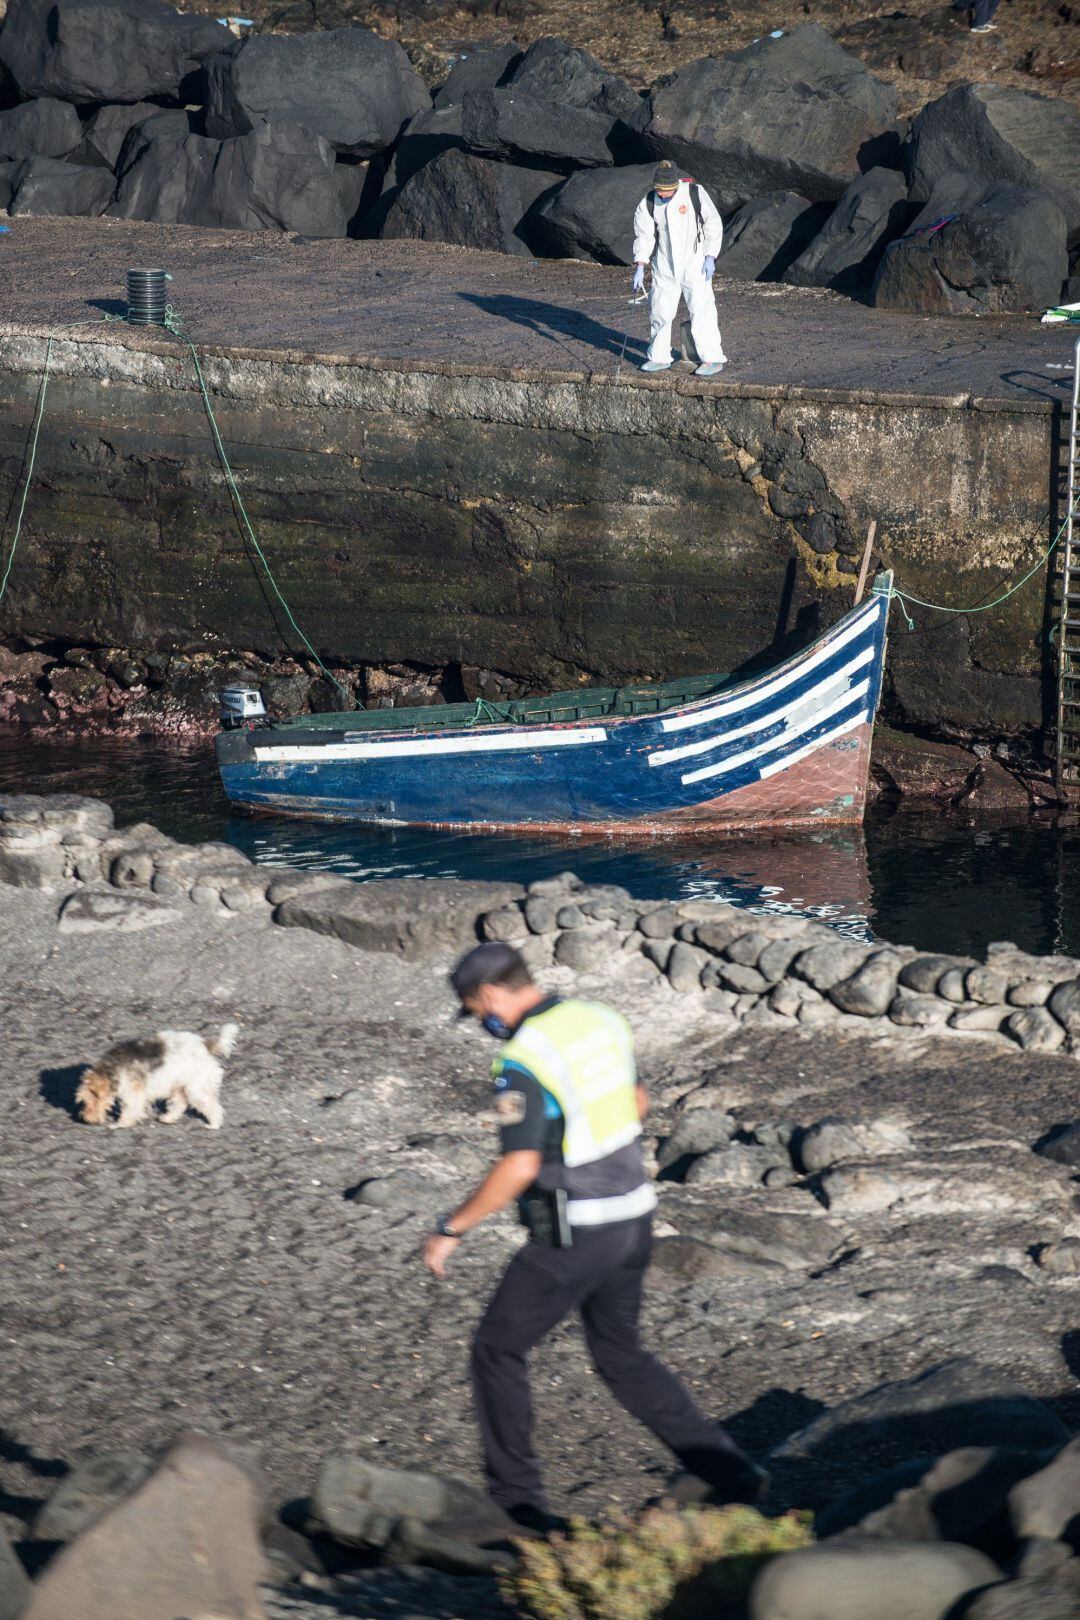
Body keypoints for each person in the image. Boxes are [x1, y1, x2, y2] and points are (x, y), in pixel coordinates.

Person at [421, 941, 763, 1534]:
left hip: (577, 1229)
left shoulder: (521, 1059)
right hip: (635, 1216)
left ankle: (518, 1506)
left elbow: (518, 1166)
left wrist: (451, 1229)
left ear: (492, 996)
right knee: (620, 1354)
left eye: (476, 1011)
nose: (482, 1023)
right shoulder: (600, 1018)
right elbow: (636, 1100)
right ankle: (733, 1474)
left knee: (496, 1350)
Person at [631, 157, 727, 377]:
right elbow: (644, 235)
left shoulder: (693, 193)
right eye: (659, 191)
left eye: (666, 191)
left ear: (675, 186)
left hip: (695, 262)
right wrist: (640, 264)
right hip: (664, 264)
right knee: (660, 310)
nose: (662, 195)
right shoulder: (649, 202)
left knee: (701, 310)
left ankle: (711, 357)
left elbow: (713, 223)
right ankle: (659, 356)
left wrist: (711, 255)